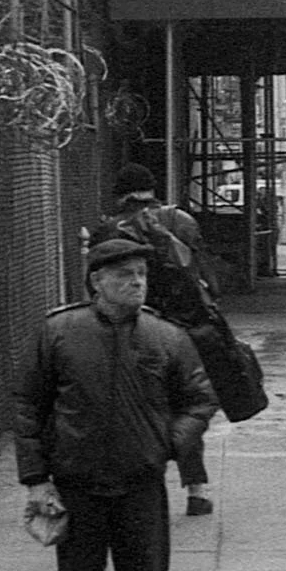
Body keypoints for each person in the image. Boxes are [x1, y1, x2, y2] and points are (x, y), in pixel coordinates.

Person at [13, 236, 219, 571]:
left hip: (140, 487)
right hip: (77, 488)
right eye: (124, 274)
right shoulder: (59, 333)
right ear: (96, 282)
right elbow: (28, 408)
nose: (136, 282)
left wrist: (167, 444)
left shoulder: (165, 337)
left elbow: (200, 400)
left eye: (142, 275)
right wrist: (36, 480)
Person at [99, 163, 222, 516]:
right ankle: (196, 489)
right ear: (153, 188)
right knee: (187, 405)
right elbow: (207, 279)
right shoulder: (181, 220)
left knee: (134, 405)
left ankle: (137, 483)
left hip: (133, 328)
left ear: (121, 193)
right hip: (184, 330)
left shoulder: (110, 229)